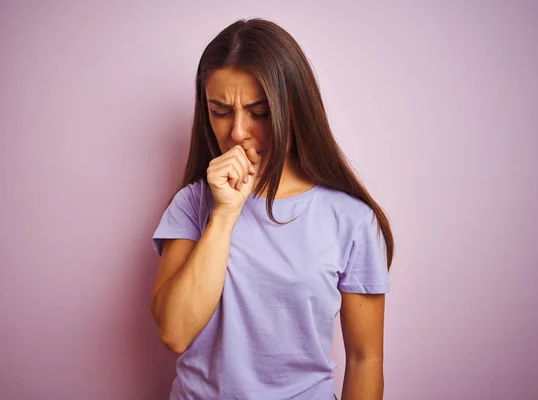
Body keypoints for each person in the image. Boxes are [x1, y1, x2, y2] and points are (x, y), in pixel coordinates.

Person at [150, 17, 394, 400]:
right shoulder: (193, 204)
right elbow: (175, 332)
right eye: (220, 111)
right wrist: (225, 214)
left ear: (293, 108)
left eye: (259, 112)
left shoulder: (350, 220)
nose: (237, 132)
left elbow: (365, 359)